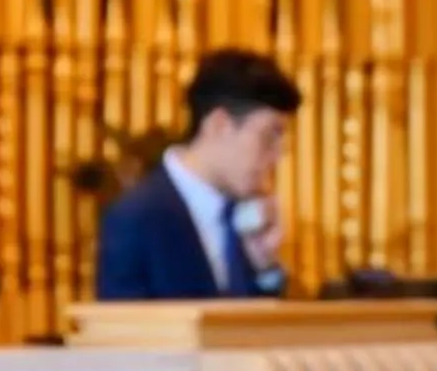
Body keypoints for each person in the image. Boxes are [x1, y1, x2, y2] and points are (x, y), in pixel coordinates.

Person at [93, 48, 302, 301]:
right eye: (269, 136)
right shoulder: (136, 217)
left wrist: (266, 267)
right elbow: (124, 331)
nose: (277, 155)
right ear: (220, 125)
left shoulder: (245, 215)